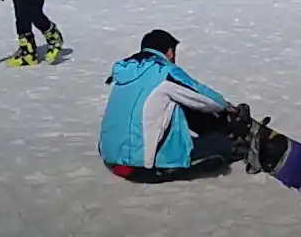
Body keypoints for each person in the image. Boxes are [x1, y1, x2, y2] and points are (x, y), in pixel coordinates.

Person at [99, 30, 253, 183]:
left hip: (112, 160)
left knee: (177, 104)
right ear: (170, 52)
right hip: (142, 167)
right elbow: (206, 99)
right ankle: (232, 134)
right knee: (221, 144)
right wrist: (227, 108)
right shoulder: (164, 71)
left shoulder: (126, 73)